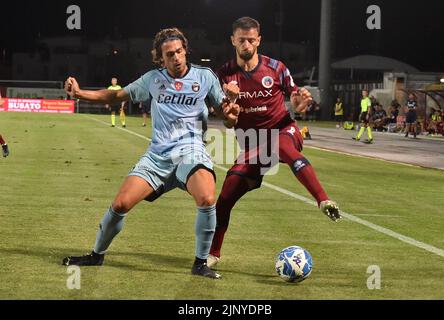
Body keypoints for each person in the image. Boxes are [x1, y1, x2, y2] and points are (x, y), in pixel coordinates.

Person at [61, 27, 240, 279]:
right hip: (157, 156)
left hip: (191, 153)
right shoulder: (152, 80)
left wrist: (231, 112)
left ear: (185, 50)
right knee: (120, 203)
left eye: (179, 51)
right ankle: (96, 255)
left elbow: (227, 116)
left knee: (207, 198)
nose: (176, 57)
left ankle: (200, 263)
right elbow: (114, 97)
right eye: (169, 54)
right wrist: (79, 94)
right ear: (160, 58)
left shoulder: (206, 77)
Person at [207, 17, 340, 268]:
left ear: (259, 40)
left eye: (251, 40)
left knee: (282, 145)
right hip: (253, 145)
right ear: (232, 40)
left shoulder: (276, 68)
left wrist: (299, 105)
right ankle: (213, 254)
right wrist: (228, 102)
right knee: (225, 198)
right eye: (241, 40)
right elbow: (226, 122)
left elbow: (296, 97)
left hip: (283, 130)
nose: (246, 44)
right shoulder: (223, 75)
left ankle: (323, 200)